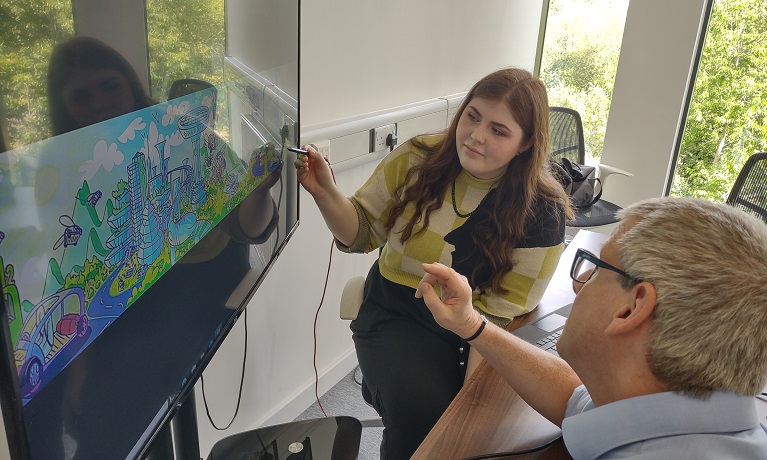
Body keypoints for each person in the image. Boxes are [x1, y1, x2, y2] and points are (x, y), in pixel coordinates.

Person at [295, 68, 572, 459]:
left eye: (499, 130)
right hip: (399, 311)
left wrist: (469, 409)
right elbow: (360, 233)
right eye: (472, 116)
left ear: (526, 143)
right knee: (423, 416)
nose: (476, 135)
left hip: (480, 325)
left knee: (487, 426)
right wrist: (325, 193)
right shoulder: (416, 158)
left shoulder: (543, 210)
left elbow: (499, 313)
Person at [417, 196, 767, 459]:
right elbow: (575, 399)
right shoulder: (690, 413)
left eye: (597, 267)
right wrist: (472, 324)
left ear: (631, 308)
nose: (580, 282)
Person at [47, 35, 157, 136]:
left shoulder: (170, 126)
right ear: (63, 108)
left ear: (132, 87)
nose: (101, 104)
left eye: (112, 88)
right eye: (81, 98)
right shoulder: (55, 157)